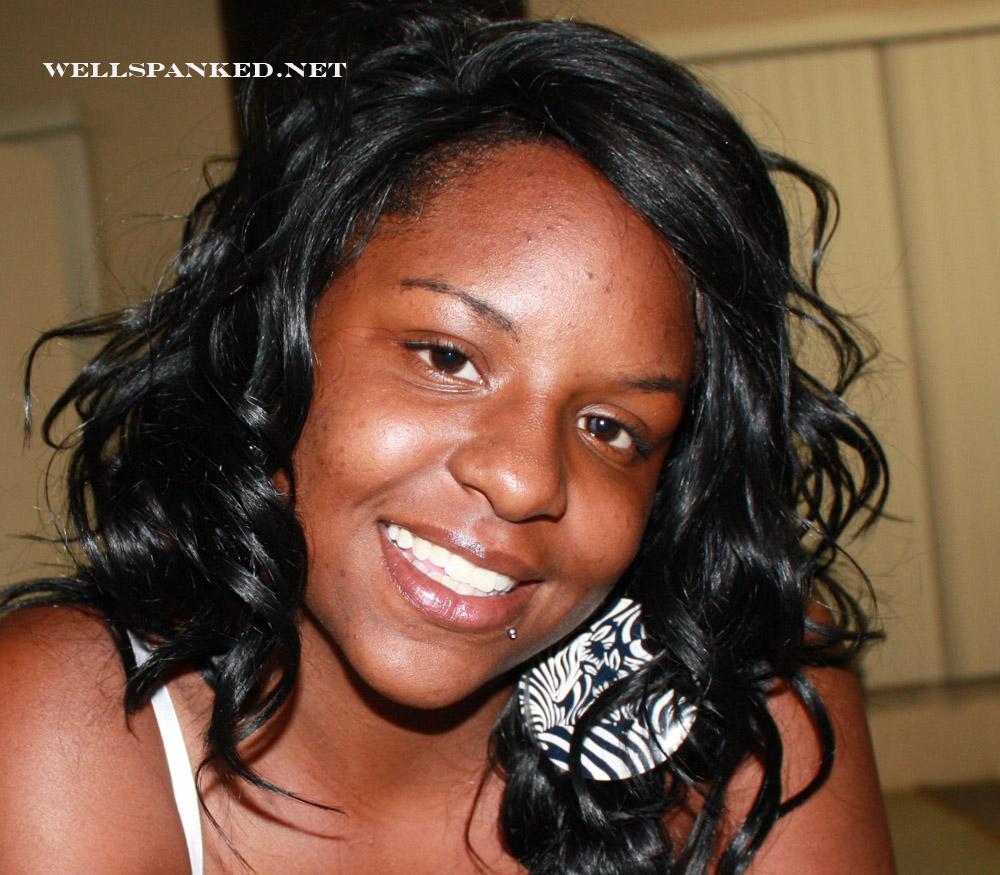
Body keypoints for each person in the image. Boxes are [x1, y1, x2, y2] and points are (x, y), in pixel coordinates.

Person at [0, 3, 897, 873]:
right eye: (447, 356)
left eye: (610, 427)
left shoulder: (748, 701)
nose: (523, 478)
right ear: (274, 341)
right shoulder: (72, 722)